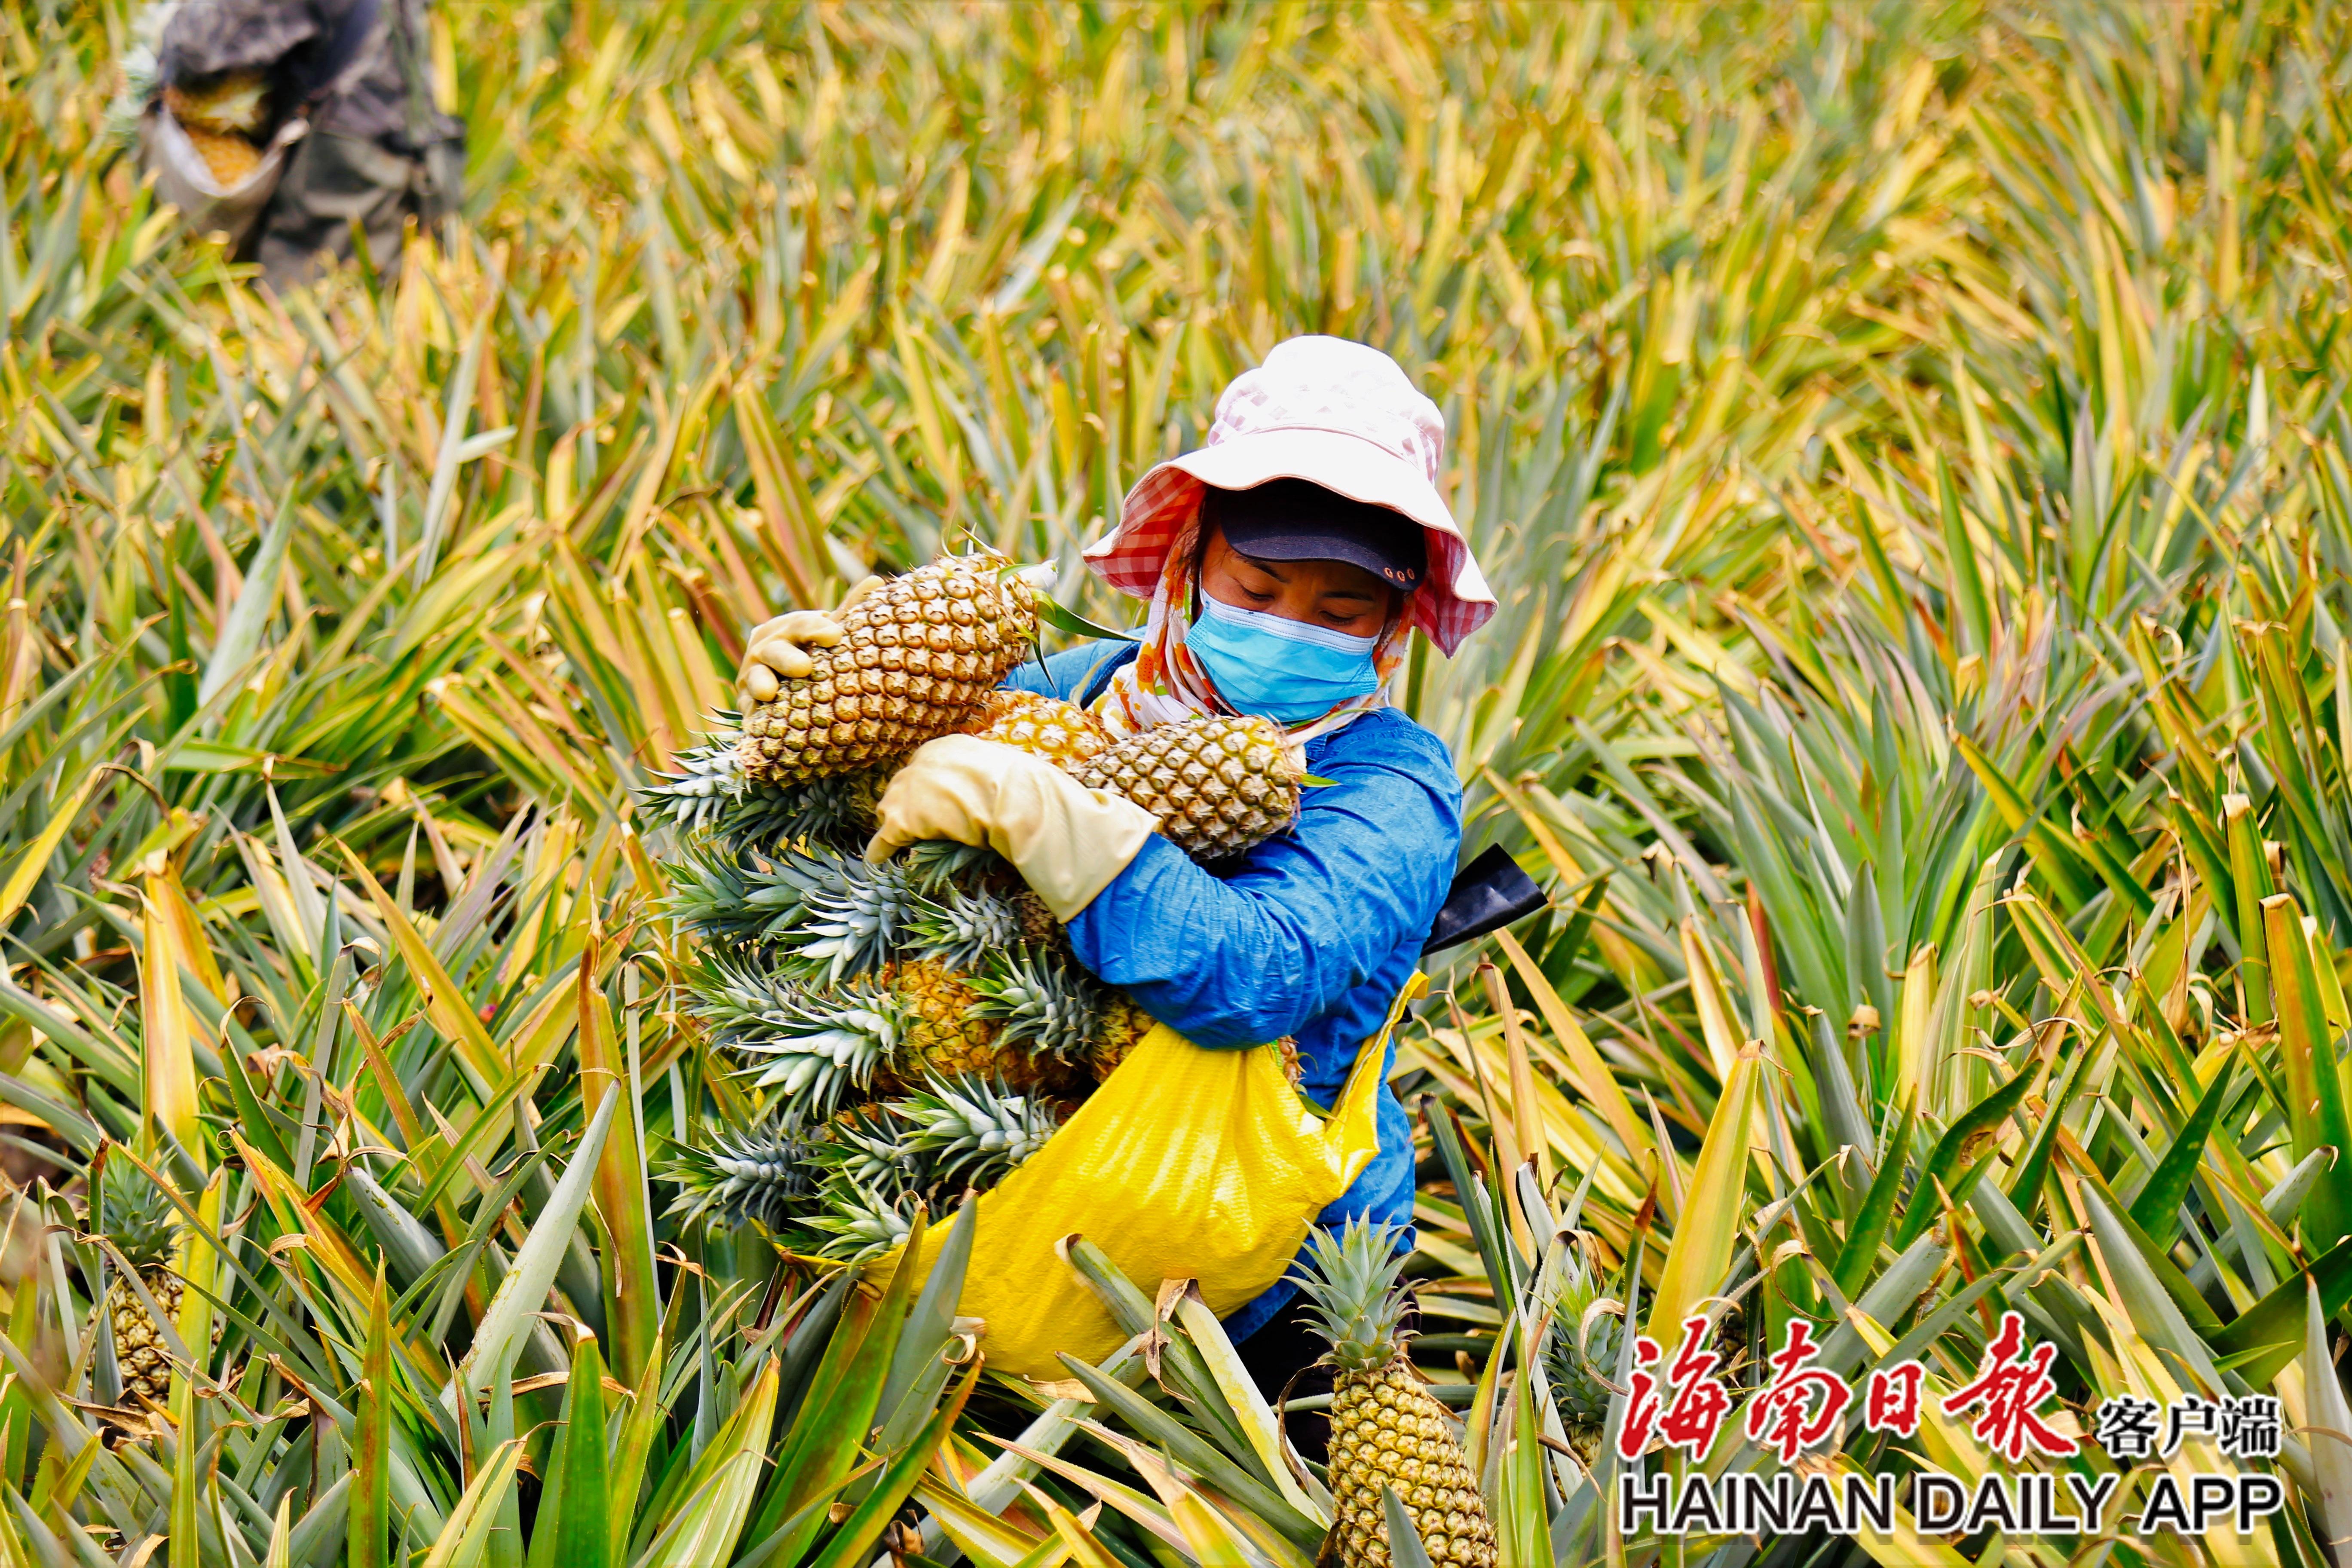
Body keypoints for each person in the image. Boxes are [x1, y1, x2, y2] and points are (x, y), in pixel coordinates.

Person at [735, 336, 1494, 1448]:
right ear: (1188, 560)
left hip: (1262, 1274)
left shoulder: (1391, 781)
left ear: (1392, 625)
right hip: (1013, 1197)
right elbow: (887, 828)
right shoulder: (1083, 686)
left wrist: (1050, 818)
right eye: (1258, 584)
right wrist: (807, 705)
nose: (1289, 622)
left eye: (1339, 610)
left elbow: (1264, 972)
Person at [154, 0, 462, 288]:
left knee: (304, 314)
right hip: (406, 150)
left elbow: (200, 52)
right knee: (373, 310)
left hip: (340, 170)